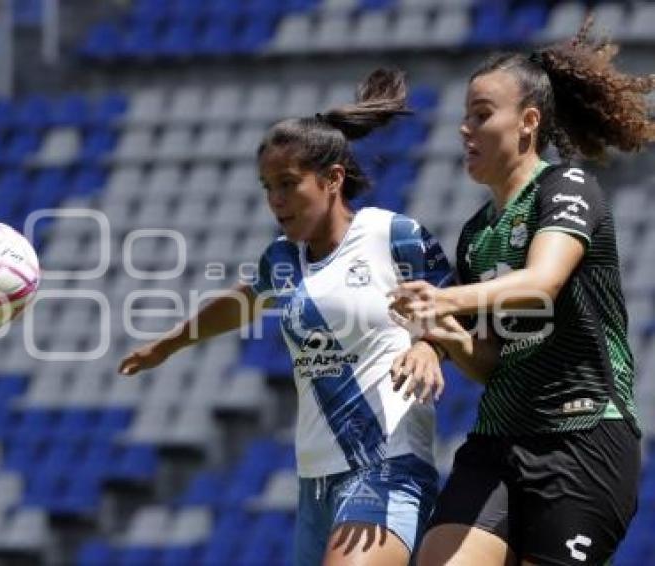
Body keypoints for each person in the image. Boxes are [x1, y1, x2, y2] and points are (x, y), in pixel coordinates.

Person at [119, 69, 453, 565]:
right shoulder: (282, 259)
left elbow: (456, 302)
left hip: (387, 461)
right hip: (315, 476)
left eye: (288, 184)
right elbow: (242, 300)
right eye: (267, 187)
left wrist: (430, 346)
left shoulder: (393, 235)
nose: (275, 201)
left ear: (333, 179)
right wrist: (167, 345)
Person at [389, 18, 654, 566]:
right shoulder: (476, 235)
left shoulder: (567, 187)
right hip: (499, 440)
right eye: (465, 115)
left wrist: (444, 302)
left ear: (528, 122)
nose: (465, 129)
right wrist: (445, 339)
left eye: (481, 115)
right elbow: (491, 363)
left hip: (582, 439)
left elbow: (542, 281)